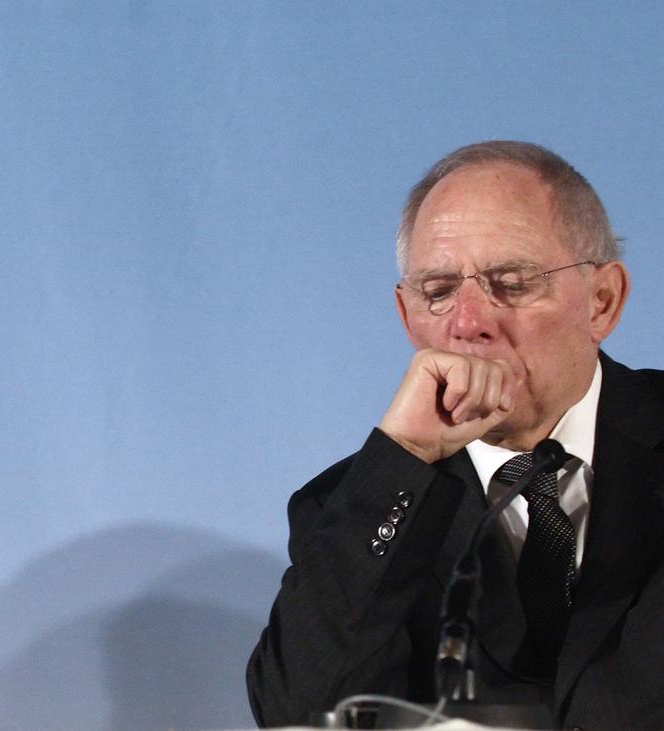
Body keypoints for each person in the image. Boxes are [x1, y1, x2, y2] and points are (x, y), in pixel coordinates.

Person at [246, 141, 664, 728]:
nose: (468, 324)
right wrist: (407, 456)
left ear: (602, 301)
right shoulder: (352, 507)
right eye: (439, 292)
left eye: (512, 282)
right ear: (406, 317)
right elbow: (302, 717)